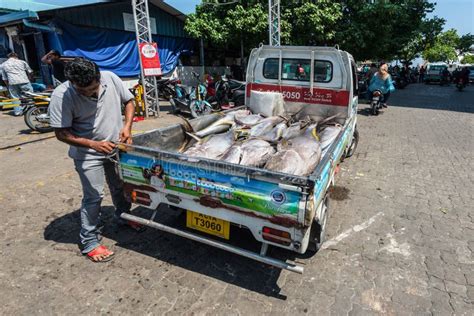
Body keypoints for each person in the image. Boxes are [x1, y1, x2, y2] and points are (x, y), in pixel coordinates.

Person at [48, 57, 141, 263]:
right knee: (94, 196)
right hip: (88, 154)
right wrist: (93, 144)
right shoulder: (61, 95)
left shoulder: (111, 78)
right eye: (83, 91)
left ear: (99, 77)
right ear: (72, 83)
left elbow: (130, 102)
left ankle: (123, 217)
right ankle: (89, 241)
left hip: (116, 148)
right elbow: (61, 133)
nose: (89, 93)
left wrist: (127, 127)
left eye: (92, 88)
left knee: (120, 186)